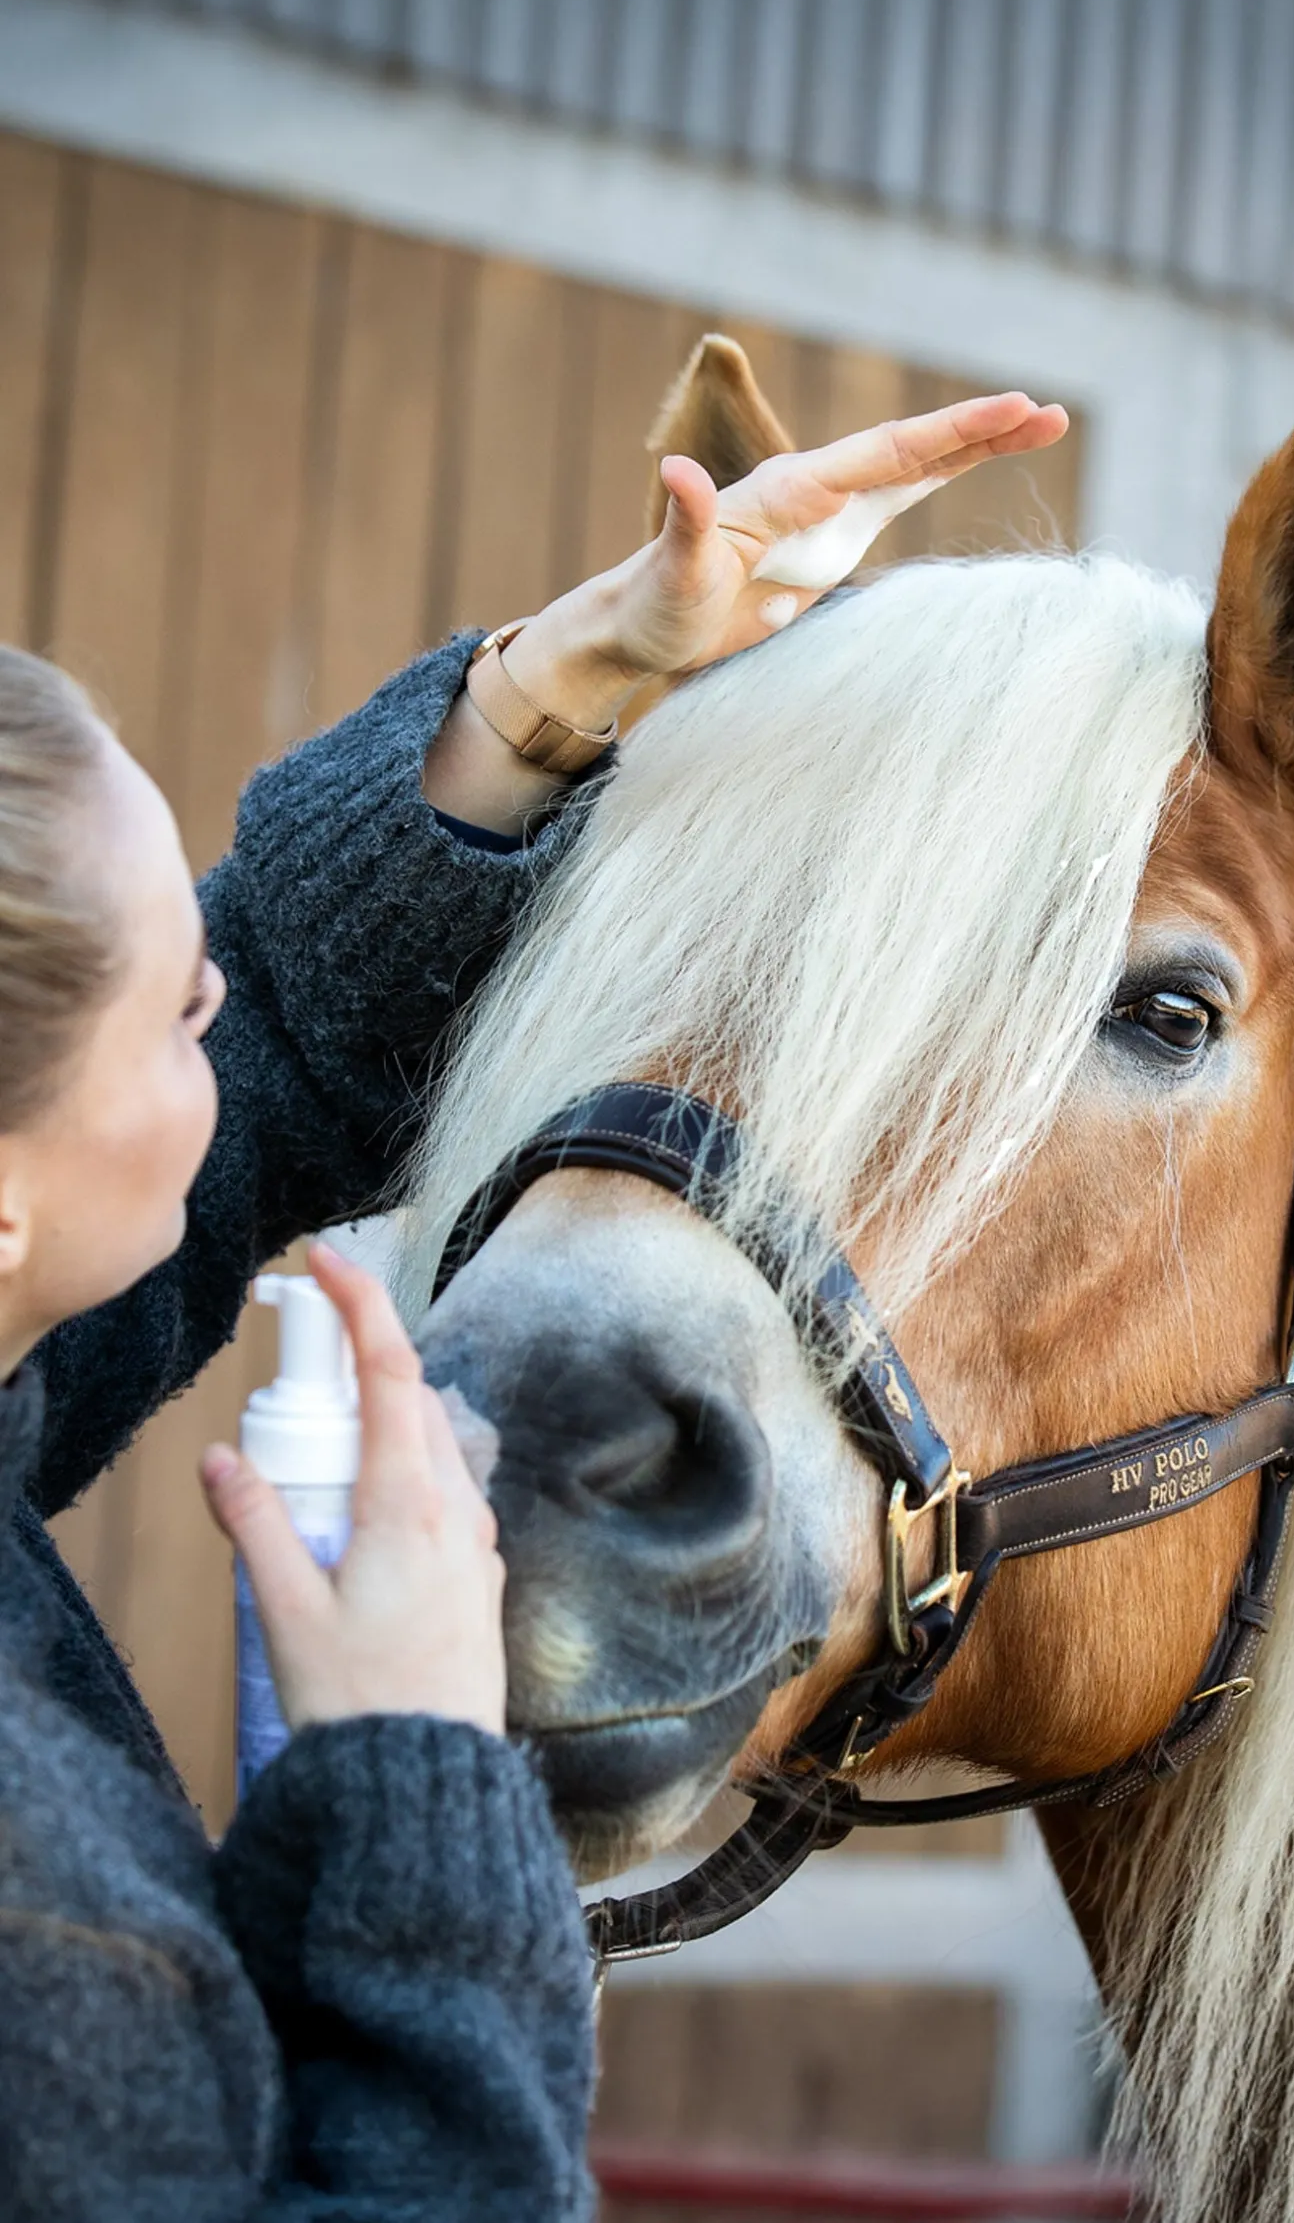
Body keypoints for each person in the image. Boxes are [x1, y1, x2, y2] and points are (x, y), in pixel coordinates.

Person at [0, 385, 1066, 2219]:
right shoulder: (56, 1956)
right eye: (176, 1016)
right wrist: (416, 1783)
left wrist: (574, 669)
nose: (224, 1021)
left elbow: (282, 1002)